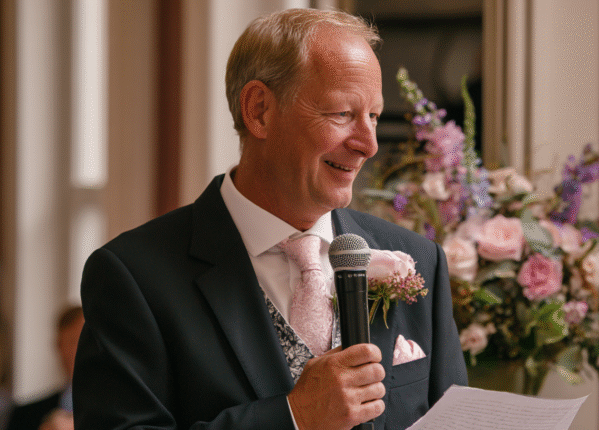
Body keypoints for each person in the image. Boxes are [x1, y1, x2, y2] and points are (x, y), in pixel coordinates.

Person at [73, 8, 467, 430]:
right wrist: (292, 417)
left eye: (372, 115)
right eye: (341, 114)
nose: (368, 144)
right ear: (259, 110)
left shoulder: (419, 259)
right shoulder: (133, 277)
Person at [8, 306, 83, 430]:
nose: (78, 351)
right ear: (59, 345)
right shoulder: (23, 415)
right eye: (73, 341)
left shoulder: (121, 413)